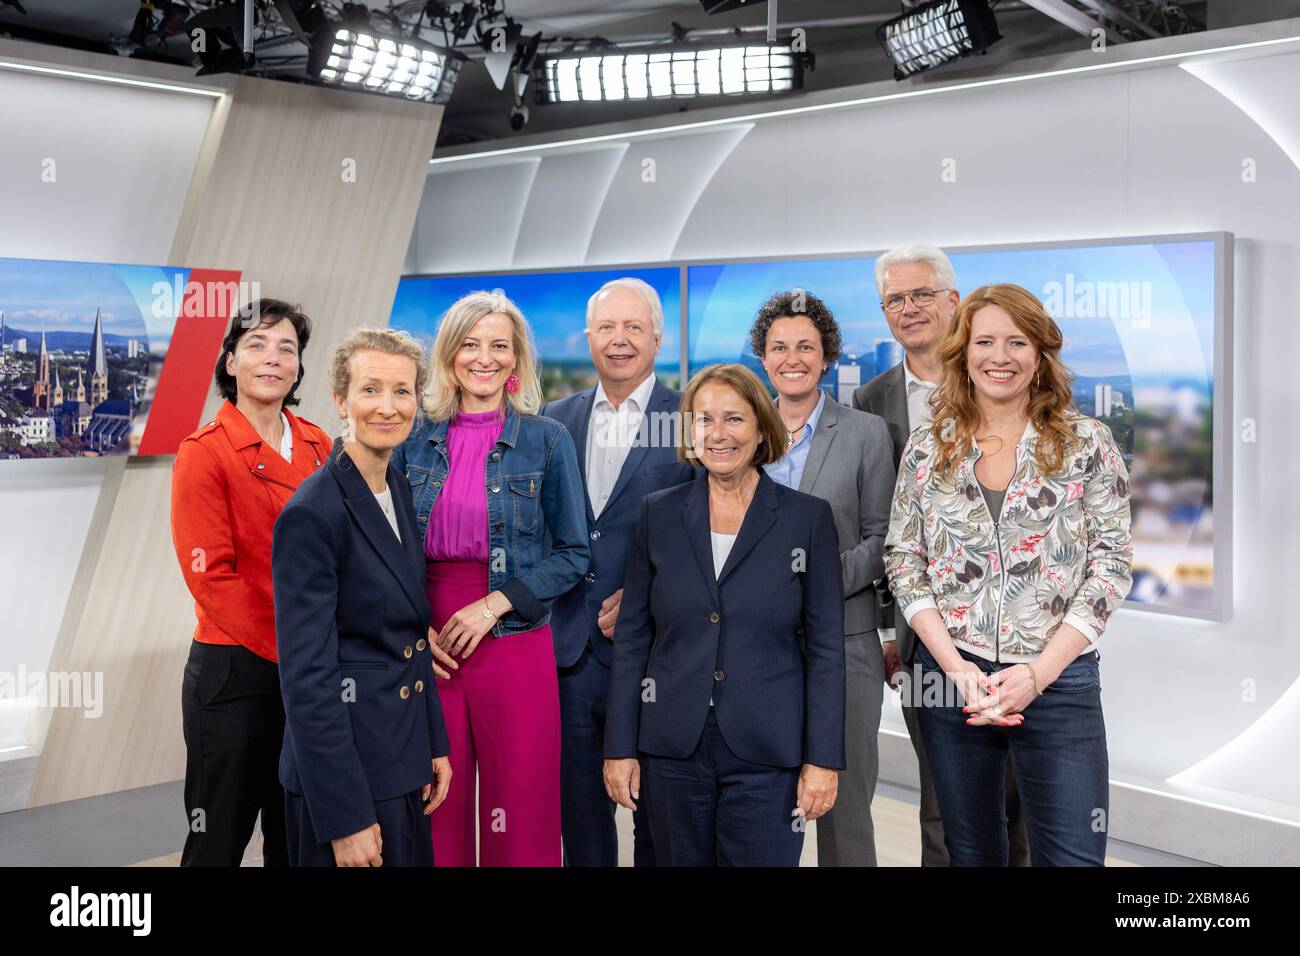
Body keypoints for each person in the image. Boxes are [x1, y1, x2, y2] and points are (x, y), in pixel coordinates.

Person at [884, 283, 1133, 867]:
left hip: (1057, 682)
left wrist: (1036, 675)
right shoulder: (929, 448)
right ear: (963, 352)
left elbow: (1112, 565)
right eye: (985, 341)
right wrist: (955, 668)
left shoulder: (1087, 443)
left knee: (1073, 855)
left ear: (1041, 354)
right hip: (952, 684)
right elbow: (904, 560)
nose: (1000, 356)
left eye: (1017, 342)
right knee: (970, 853)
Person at [604, 364, 845, 867]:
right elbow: (632, 640)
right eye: (704, 419)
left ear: (761, 428)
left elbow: (825, 650)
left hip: (768, 749)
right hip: (671, 746)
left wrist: (822, 758)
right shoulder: (659, 513)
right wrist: (620, 747)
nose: (718, 434)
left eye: (734, 419)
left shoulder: (807, 518)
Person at [392, 291, 589, 867]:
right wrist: (415, 632)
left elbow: (575, 552)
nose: (485, 358)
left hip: (515, 638)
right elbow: (387, 551)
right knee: (436, 804)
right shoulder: (410, 439)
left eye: (499, 345)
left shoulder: (547, 440)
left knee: (520, 810)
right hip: (432, 643)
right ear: (450, 355)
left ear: (516, 358)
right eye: (471, 345)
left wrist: (496, 603)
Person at [853, 242, 1030, 866]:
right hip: (922, 633)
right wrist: (883, 628)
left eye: (922, 294)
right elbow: (874, 525)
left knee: (1021, 799)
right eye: (894, 299)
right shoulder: (868, 401)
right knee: (944, 798)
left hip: (1020, 636)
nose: (909, 308)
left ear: (953, 301)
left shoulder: (1003, 380)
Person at [272, 327, 452, 867]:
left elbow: (409, 638)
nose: (388, 407)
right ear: (341, 401)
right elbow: (307, 679)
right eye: (371, 390)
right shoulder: (313, 512)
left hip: (401, 755)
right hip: (348, 776)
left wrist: (432, 743)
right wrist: (346, 815)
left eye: (402, 392)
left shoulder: (393, 484)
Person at [171, 299, 331, 866]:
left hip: (308, 672)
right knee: (217, 840)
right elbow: (211, 577)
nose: (273, 359)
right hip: (236, 675)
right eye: (257, 345)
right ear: (231, 361)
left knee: (296, 838)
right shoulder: (204, 452)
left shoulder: (319, 445)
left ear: (298, 367)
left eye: (286, 348)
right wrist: (301, 645)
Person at [543, 278, 694, 867]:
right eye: (607, 328)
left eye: (634, 328)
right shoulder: (556, 420)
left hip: (658, 655)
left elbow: (713, 535)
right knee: (580, 821)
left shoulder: (691, 417)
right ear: (588, 339)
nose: (620, 340)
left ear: (658, 338)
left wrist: (648, 595)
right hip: (571, 654)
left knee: (659, 819)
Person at [750, 290, 895, 867]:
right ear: (763, 356)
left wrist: (811, 585)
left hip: (846, 643)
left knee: (846, 810)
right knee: (763, 804)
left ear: (827, 356)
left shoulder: (866, 432)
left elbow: (885, 540)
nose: (793, 358)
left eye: (806, 346)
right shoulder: (743, 432)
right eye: (779, 346)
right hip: (758, 647)